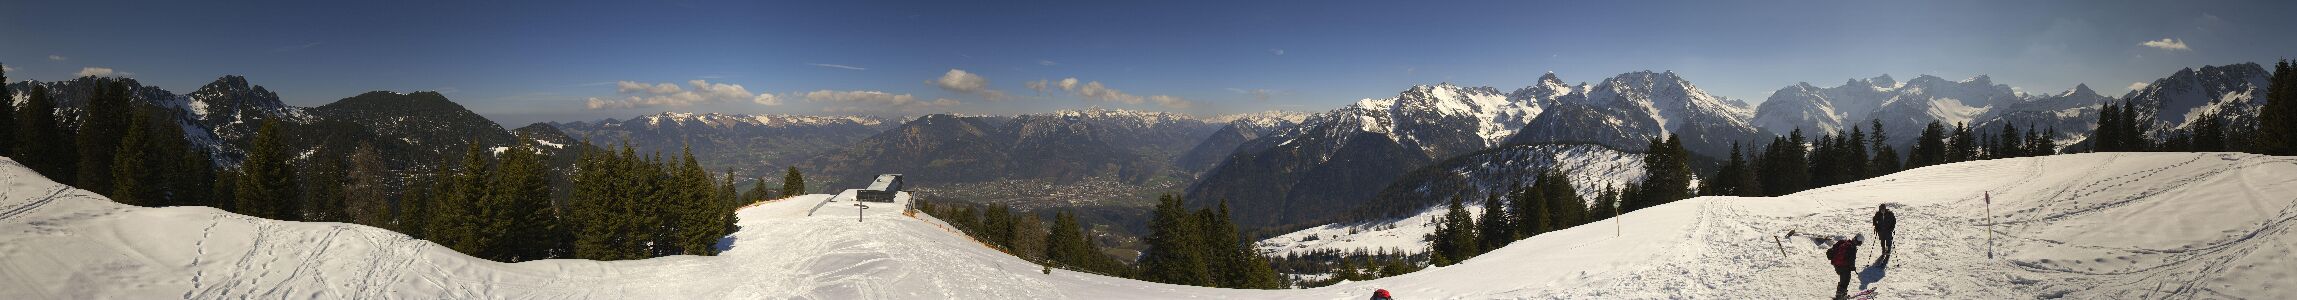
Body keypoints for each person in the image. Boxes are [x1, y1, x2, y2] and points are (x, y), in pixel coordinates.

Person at [1827, 234, 1863, 300]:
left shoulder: (1844, 242)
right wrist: (1853, 267)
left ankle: (1841, 295)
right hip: (1843, 267)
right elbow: (1851, 260)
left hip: (1836, 265)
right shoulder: (1852, 247)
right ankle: (1840, 296)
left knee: (1843, 280)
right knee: (1846, 281)